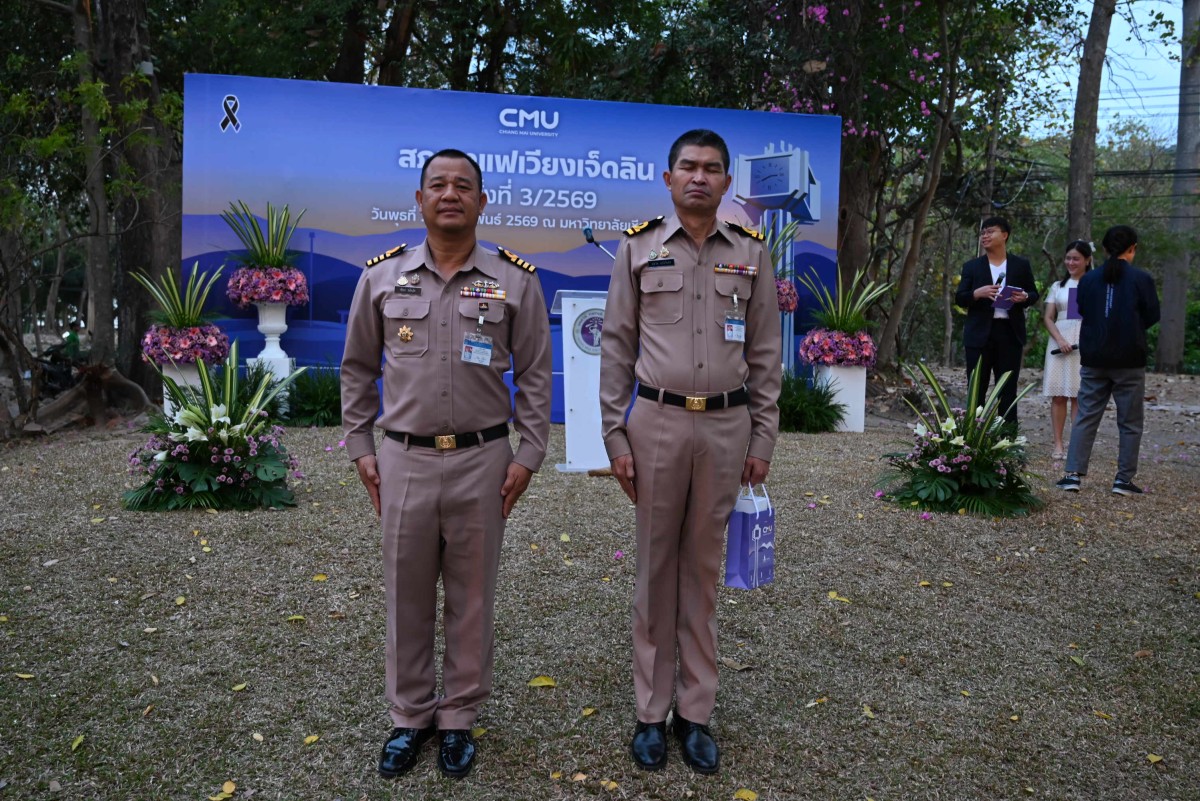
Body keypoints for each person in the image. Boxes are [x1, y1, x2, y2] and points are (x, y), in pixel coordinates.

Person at [340, 149, 552, 780]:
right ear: (420, 198)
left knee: (472, 596)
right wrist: (360, 447)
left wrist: (529, 453)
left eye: (463, 185)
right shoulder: (382, 278)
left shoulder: (514, 280)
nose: (450, 194)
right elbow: (356, 369)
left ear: (482, 202)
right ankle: (409, 716)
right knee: (405, 594)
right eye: (438, 184)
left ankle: (458, 716)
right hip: (403, 459)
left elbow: (536, 374)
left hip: (483, 459)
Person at [599, 129, 782, 775]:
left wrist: (763, 436)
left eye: (711, 168)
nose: (699, 177)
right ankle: (651, 712)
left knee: (702, 572)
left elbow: (766, 353)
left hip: (727, 426)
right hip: (657, 423)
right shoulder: (638, 248)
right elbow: (616, 345)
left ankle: (695, 712)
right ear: (669, 178)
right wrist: (614, 433)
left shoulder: (752, 254)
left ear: (727, 182)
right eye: (688, 166)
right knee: (655, 569)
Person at [1056, 225, 1160, 495]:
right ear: (1132, 248)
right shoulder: (1142, 279)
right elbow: (1152, 315)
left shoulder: (1088, 280)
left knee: (1086, 416)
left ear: (1103, 250)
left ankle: (1072, 475)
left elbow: (1082, 310)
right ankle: (1123, 480)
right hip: (1130, 358)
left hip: (1094, 357)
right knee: (1130, 421)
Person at [954, 216, 1040, 428]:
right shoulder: (972, 266)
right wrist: (977, 293)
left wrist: (1025, 297)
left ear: (1005, 235)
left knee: (1007, 389)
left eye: (990, 231)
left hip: (1009, 333)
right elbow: (960, 298)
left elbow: (1033, 293)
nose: (985, 236)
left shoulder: (1020, 265)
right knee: (976, 388)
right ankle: (973, 436)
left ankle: (1007, 438)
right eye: (983, 232)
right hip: (979, 335)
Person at [1041, 240, 1093, 459]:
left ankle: (1076, 446)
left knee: (1079, 395)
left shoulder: (1094, 284)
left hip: (1084, 340)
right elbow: (1048, 317)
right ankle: (1058, 444)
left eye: (1076, 259)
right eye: (1068, 258)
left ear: (1087, 260)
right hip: (1059, 340)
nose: (1071, 263)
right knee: (1059, 396)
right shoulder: (1058, 286)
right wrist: (1060, 340)